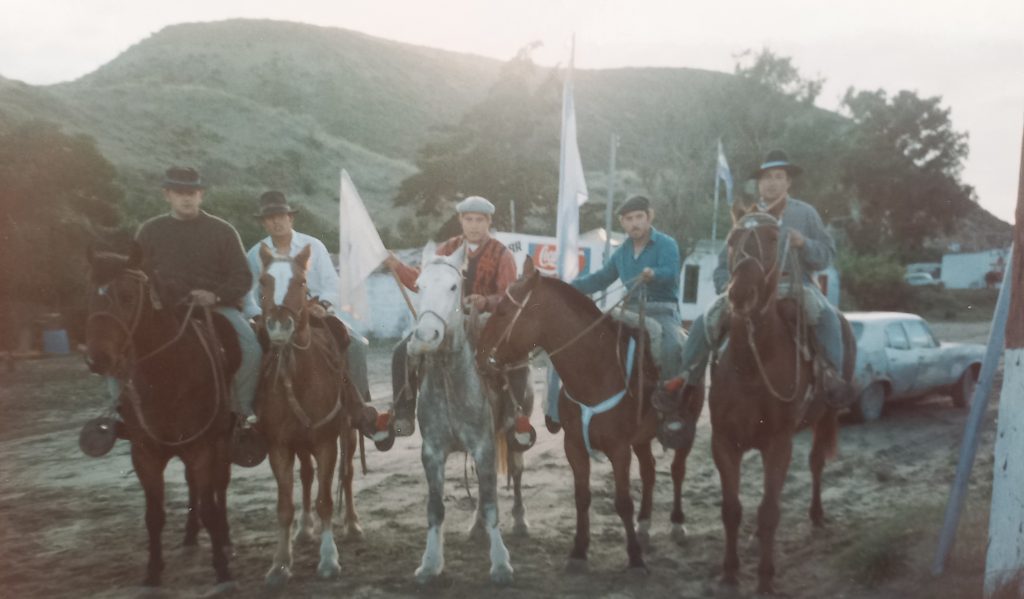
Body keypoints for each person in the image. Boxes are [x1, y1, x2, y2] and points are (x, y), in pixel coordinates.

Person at [674, 149, 851, 406]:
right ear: (759, 183)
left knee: (827, 317)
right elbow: (724, 262)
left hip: (794, 286)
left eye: (778, 176)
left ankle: (832, 375)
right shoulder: (747, 216)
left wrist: (804, 244)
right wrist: (729, 286)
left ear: (788, 181)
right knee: (704, 321)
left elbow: (826, 255)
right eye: (766, 177)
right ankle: (685, 379)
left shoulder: (805, 213)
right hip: (750, 290)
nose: (772, 182)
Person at [381, 195, 529, 444]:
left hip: (485, 321)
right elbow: (422, 282)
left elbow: (508, 295)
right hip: (446, 322)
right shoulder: (446, 249)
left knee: (516, 353)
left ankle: (514, 416)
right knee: (401, 351)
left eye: (479, 220)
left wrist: (485, 301)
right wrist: (396, 265)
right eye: (468, 219)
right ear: (460, 220)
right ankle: (403, 414)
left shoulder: (502, 254)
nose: (474, 225)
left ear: (488, 222)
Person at [135, 166, 263, 426]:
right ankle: (121, 413)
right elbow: (137, 275)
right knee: (122, 348)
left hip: (215, 309)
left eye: (192, 192)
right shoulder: (149, 231)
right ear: (167, 195)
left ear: (201, 195)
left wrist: (214, 295)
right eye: (179, 192)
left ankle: (239, 411)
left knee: (251, 348)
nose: (186, 198)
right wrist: (156, 299)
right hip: (165, 311)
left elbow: (242, 277)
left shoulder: (222, 231)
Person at [242, 190, 372, 419]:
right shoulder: (256, 254)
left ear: (290, 218)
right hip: (275, 320)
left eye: (280, 216)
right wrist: (258, 316)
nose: (276, 221)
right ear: (264, 223)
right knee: (250, 352)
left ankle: (358, 406)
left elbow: (332, 283)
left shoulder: (313, 245)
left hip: (314, 315)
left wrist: (322, 303)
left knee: (357, 345)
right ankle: (252, 413)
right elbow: (248, 293)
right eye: (270, 218)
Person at [570, 195, 684, 377]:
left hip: (661, 311)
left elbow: (671, 272)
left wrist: (654, 273)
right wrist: (567, 287)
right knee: (595, 335)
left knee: (672, 347)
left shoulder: (666, 244)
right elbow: (600, 279)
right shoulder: (621, 253)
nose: (635, 223)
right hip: (629, 310)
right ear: (622, 223)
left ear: (649, 217)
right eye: (629, 219)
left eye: (639, 217)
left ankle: (668, 394)